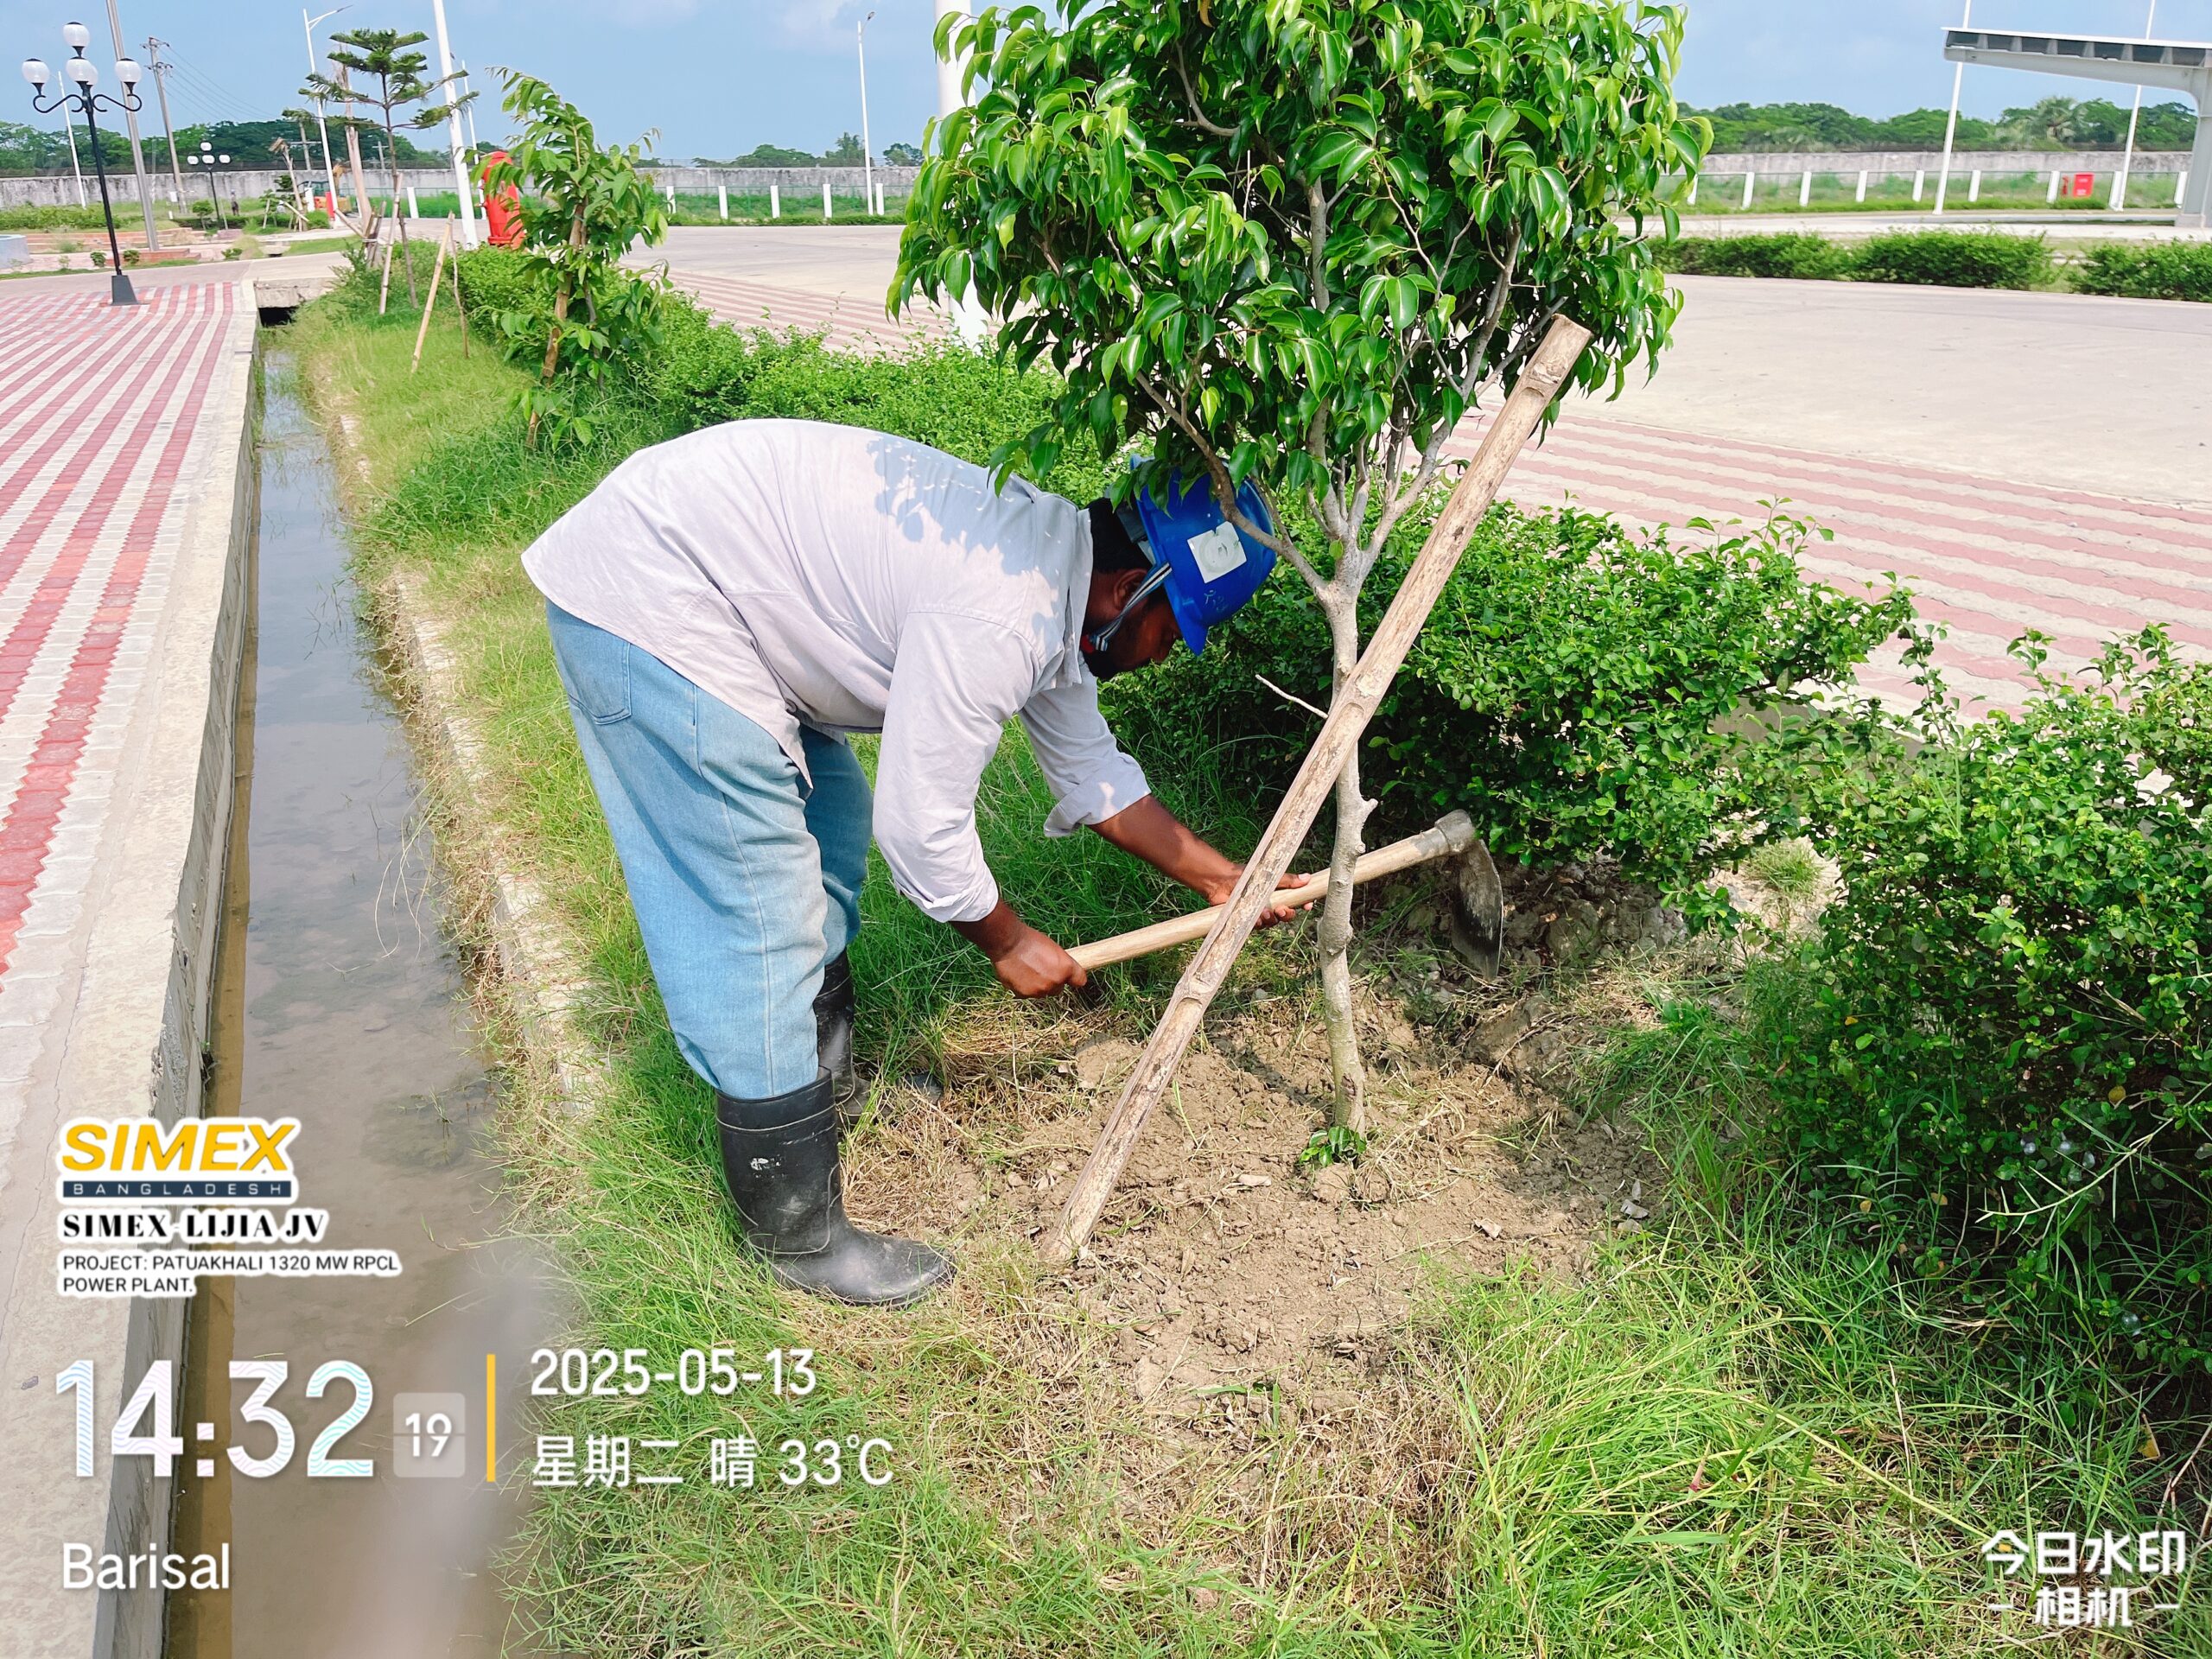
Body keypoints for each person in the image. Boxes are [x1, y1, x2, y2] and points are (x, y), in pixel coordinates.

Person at [523, 418, 1304, 1308]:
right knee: (757, 905)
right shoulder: (1000, 611)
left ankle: (824, 1089)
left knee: (832, 819)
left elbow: (1094, 774)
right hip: (655, 597)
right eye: (1173, 633)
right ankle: (795, 1235)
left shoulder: (1056, 574)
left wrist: (1224, 881)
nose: (1165, 657)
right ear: (1131, 589)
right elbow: (923, 830)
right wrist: (1008, 941)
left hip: (719, 582)